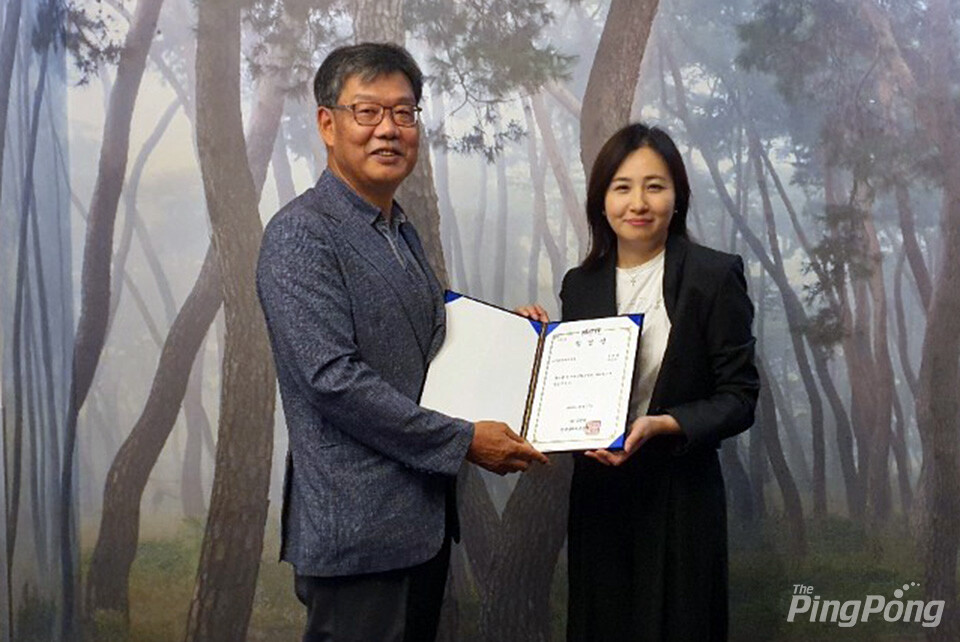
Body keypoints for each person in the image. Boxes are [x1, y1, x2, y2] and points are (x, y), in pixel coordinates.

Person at [256, 42, 547, 642]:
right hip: (357, 535)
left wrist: (513, 338)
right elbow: (333, 380)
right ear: (327, 124)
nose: (389, 129)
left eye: (405, 113)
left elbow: (429, 339)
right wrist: (465, 441)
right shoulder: (301, 235)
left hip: (420, 524)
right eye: (368, 112)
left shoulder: (399, 227)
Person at [518, 123, 759, 641]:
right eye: (622, 186)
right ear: (602, 199)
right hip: (600, 496)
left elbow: (740, 399)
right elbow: (570, 387)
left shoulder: (714, 275)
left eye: (656, 185)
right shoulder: (579, 286)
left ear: (678, 197)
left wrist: (665, 424)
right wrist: (528, 345)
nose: (639, 202)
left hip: (681, 495)